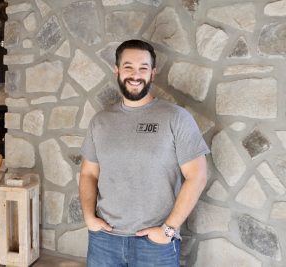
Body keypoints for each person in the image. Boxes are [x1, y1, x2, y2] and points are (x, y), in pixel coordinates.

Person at [79, 39, 210, 267]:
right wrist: (89, 217)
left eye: (143, 68)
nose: (135, 74)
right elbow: (88, 174)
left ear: (153, 73)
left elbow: (197, 176)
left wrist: (167, 230)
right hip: (104, 241)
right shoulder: (100, 121)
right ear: (117, 70)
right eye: (128, 67)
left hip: (155, 245)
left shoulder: (176, 118)